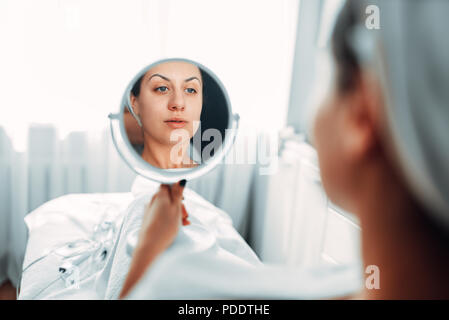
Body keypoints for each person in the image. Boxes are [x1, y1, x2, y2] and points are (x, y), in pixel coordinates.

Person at [120, 0, 449, 299]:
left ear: (362, 111)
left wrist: (149, 250)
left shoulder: (179, 286)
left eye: (324, 75)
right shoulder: (352, 281)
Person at [128, 60, 203, 169]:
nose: (178, 103)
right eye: (162, 88)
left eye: (190, 90)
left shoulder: (214, 179)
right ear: (134, 103)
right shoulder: (115, 175)